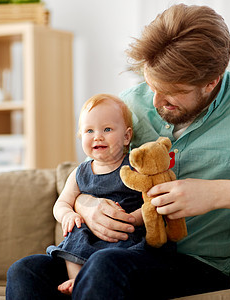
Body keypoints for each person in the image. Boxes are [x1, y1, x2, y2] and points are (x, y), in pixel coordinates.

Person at [6, 4, 230, 299]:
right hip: (116, 250)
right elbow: (92, 171)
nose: (154, 102)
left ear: (211, 81)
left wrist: (213, 194)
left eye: (171, 93)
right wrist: (86, 204)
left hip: (194, 263)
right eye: (152, 85)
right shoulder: (132, 103)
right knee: (26, 272)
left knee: (107, 267)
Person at [46, 94, 146, 295]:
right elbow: (61, 203)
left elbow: (151, 205)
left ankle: (86, 281)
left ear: (127, 136)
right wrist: (68, 215)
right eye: (89, 130)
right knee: (75, 234)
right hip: (89, 236)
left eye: (107, 129)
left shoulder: (135, 167)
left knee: (122, 250)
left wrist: (132, 219)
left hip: (123, 234)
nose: (97, 136)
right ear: (80, 136)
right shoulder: (79, 173)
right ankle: (76, 279)